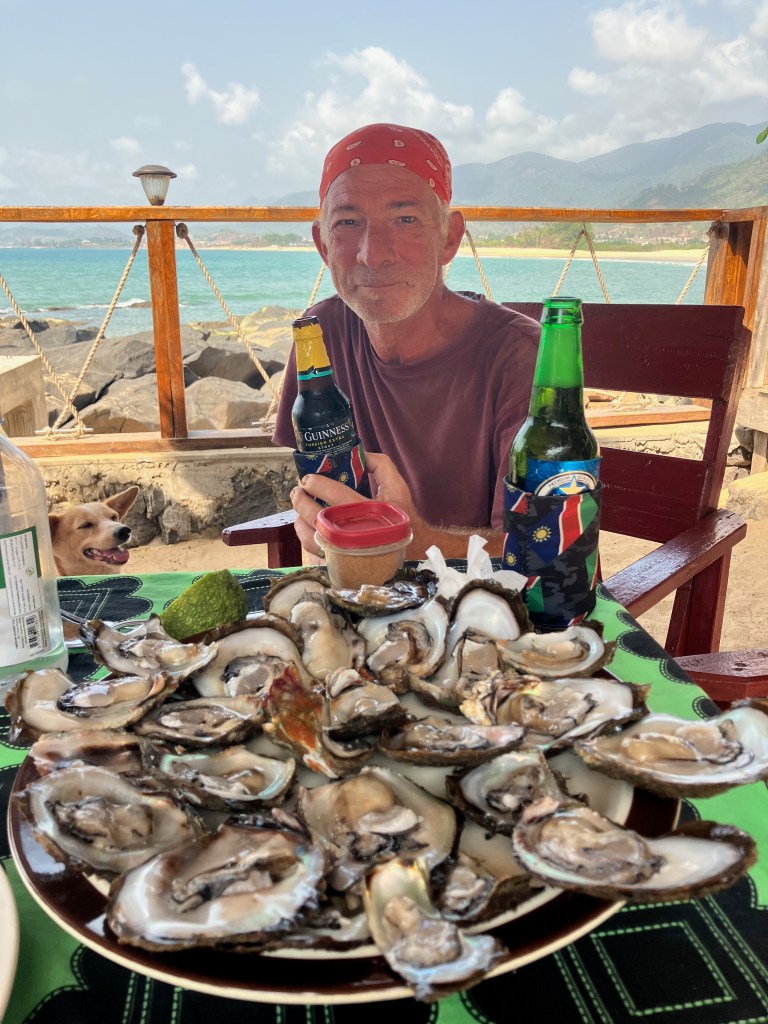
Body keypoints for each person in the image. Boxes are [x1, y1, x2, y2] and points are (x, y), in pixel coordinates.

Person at [272, 122, 539, 560]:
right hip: (368, 601)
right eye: (348, 222)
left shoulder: (520, 357)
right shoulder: (320, 335)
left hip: (499, 614)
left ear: (449, 237)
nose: (373, 253)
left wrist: (411, 539)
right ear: (323, 244)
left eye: (405, 219)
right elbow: (317, 488)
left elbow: (542, 552)